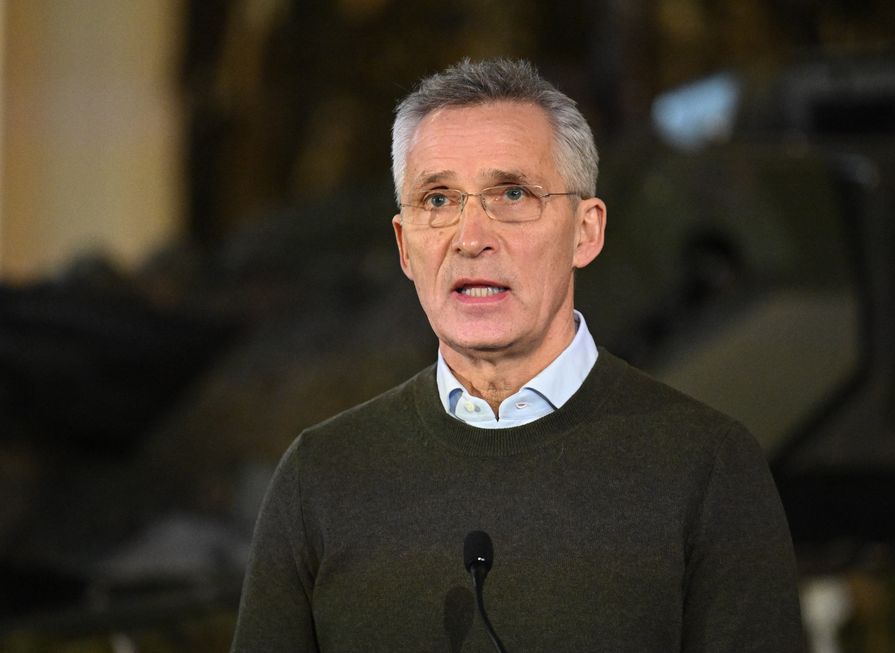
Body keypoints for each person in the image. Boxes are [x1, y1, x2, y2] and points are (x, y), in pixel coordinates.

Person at [231, 58, 804, 652]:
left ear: (586, 231)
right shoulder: (320, 477)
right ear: (404, 246)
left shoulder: (707, 467)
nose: (471, 237)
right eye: (438, 199)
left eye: (511, 194)